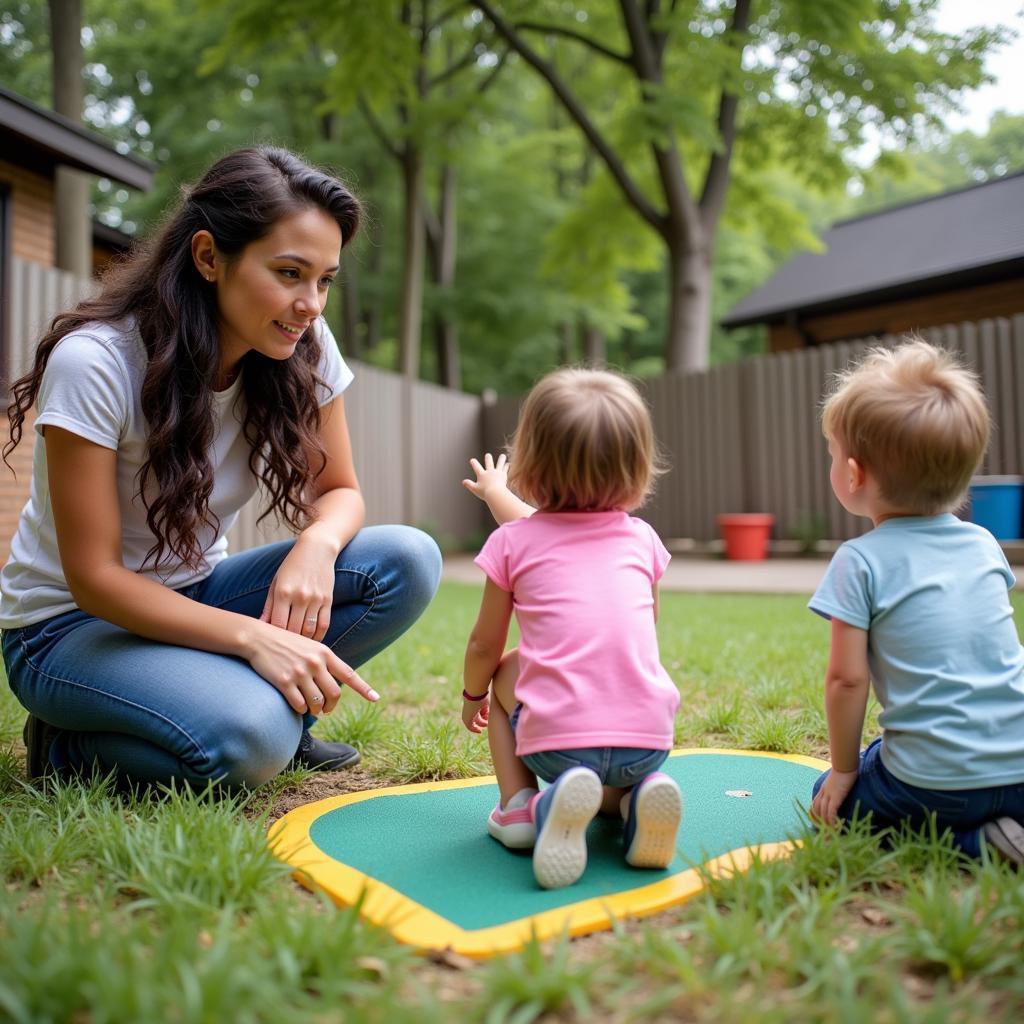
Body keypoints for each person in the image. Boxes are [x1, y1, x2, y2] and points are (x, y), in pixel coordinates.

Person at [1, 146, 441, 790]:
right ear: (209, 257)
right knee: (254, 738)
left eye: (325, 279)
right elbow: (93, 579)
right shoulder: (96, 362)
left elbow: (340, 491)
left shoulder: (304, 345)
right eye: (290, 273)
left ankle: (252, 712)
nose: (311, 303)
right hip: (68, 629)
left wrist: (316, 547)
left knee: (406, 559)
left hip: (194, 593)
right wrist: (252, 640)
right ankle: (66, 749)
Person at [459, 368, 683, 889]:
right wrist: (496, 495)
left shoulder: (513, 544)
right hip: (648, 739)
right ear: (637, 465)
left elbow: (483, 643)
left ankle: (520, 809)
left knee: (503, 672)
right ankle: (634, 800)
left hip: (559, 747)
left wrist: (473, 693)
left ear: (531, 462)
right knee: (608, 768)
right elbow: (645, 622)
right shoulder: (643, 540)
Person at [809, 339, 1024, 865]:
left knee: (829, 797)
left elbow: (847, 680)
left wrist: (842, 770)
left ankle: (976, 846)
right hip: (1019, 767)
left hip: (933, 784)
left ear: (854, 474)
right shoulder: (983, 544)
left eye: (833, 455)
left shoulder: (859, 561)